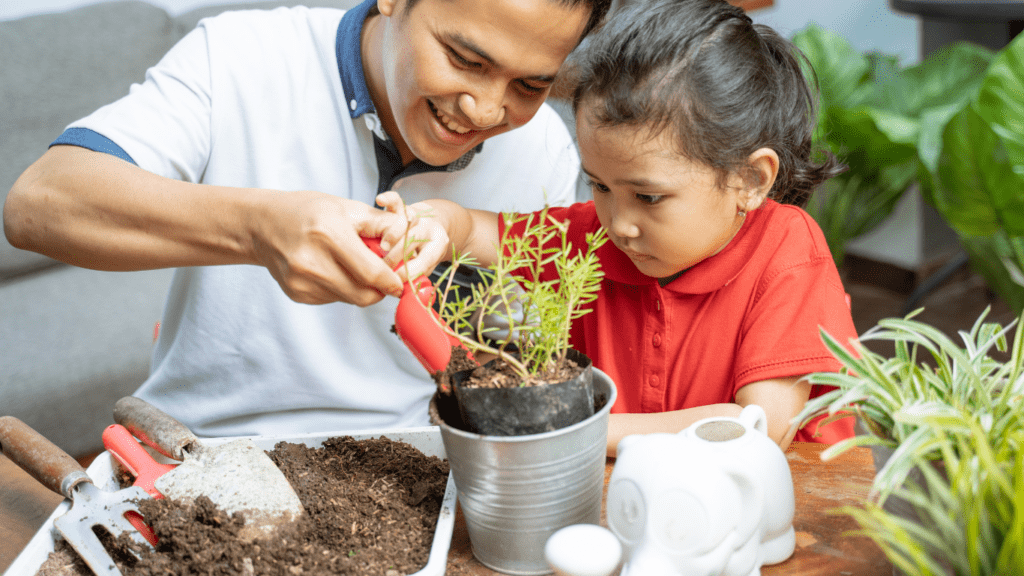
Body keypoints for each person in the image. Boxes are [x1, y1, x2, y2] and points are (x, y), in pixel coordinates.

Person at [2, 0, 611, 438]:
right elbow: (40, 205)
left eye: (530, 85)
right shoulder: (241, 58)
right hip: (199, 450)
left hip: (415, 465)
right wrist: (260, 228)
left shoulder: (544, 155)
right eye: (464, 60)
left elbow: (509, 359)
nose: (484, 109)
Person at [374, 0, 858, 455]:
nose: (620, 224)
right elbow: (478, 232)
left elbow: (760, 427)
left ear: (750, 179)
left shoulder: (787, 252)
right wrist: (432, 223)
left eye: (648, 197)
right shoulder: (595, 238)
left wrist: (565, 423)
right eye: (599, 186)